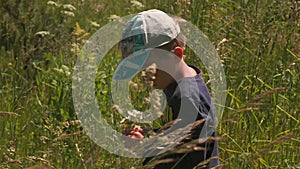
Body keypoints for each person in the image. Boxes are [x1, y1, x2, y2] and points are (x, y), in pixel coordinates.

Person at [113, 9, 219, 169]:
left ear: (176, 55)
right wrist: (149, 136)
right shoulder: (173, 84)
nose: (145, 76)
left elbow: (189, 158)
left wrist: (145, 148)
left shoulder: (188, 98)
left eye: (150, 67)